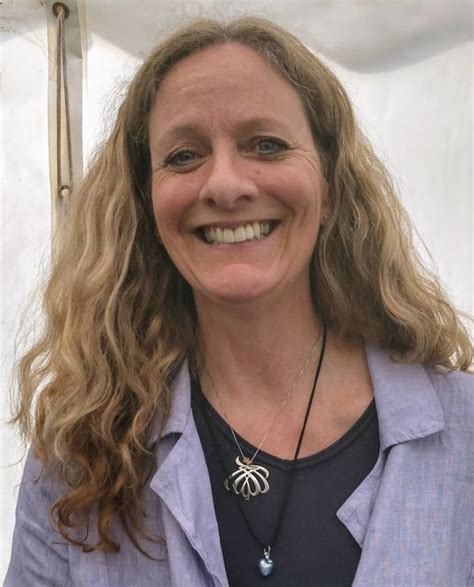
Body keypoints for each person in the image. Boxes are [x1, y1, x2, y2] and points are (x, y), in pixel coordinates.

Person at [6, 16, 473, 587]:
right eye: (184, 156)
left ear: (330, 187)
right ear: (146, 204)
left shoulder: (465, 432)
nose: (225, 185)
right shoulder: (82, 449)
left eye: (266, 145)